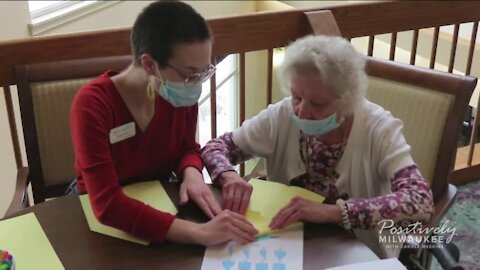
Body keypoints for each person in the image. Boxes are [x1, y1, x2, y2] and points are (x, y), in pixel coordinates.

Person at [201, 35, 434, 257]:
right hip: (280, 241)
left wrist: (334, 213)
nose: (301, 111)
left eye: (317, 103)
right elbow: (216, 147)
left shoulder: (379, 129)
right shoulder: (281, 115)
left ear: (347, 101)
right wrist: (229, 176)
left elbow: (419, 202)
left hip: (359, 252)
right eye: (296, 97)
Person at [70, 1, 257, 246]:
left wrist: (192, 174)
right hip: (100, 220)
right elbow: (107, 204)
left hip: (160, 199)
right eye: (190, 74)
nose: (197, 84)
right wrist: (198, 233)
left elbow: (187, 147)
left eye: (204, 72)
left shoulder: (176, 90)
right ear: (149, 64)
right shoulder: (93, 105)